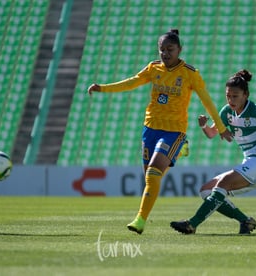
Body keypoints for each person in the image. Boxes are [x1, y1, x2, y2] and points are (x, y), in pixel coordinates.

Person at [88, 29, 233, 234]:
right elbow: (132, 82)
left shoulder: (189, 73)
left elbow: (206, 101)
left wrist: (220, 127)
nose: (165, 54)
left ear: (179, 50)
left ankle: (140, 220)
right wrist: (103, 88)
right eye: (161, 50)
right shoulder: (153, 68)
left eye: (170, 50)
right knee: (149, 175)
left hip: (174, 130)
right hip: (150, 128)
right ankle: (179, 150)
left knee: (153, 175)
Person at [170, 69, 256, 234]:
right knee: (206, 190)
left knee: (223, 182)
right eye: (228, 96)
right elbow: (212, 133)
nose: (231, 100)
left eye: (235, 96)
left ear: (245, 95)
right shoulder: (226, 112)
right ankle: (245, 221)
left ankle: (192, 224)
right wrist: (204, 125)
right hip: (249, 162)